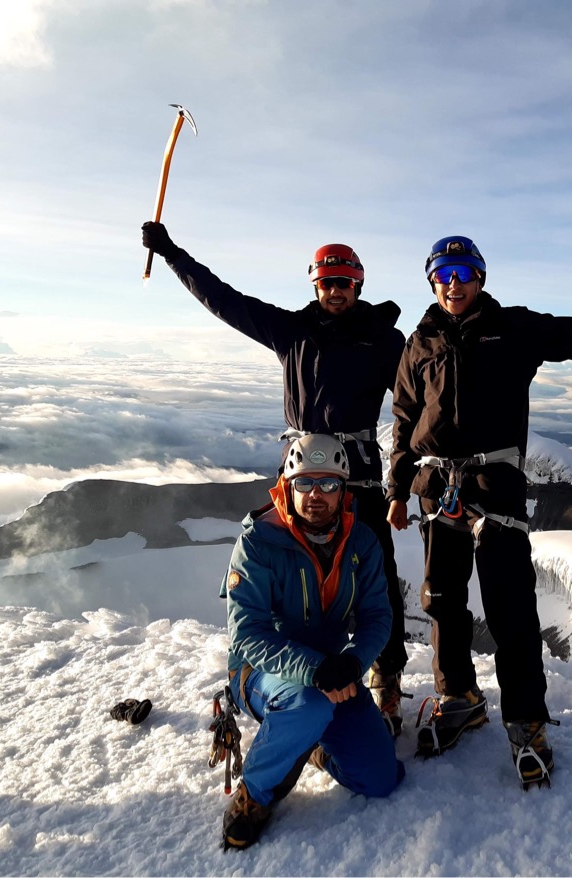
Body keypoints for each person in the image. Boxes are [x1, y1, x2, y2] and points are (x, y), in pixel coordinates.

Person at [386, 235, 572, 788]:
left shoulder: (515, 328)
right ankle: (458, 697)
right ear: (432, 282)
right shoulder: (420, 342)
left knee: (510, 610)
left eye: (464, 272)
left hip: (494, 485)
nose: (454, 283)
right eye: (444, 275)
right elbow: (405, 419)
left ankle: (527, 723)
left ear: (480, 276)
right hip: (437, 490)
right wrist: (396, 487)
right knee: (442, 602)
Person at [141, 221, 410, 735]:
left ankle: (386, 680)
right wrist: (173, 254)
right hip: (305, 478)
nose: (335, 291)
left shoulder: (383, 341)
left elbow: (417, 397)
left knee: (377, 581)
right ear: (315, 285)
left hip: (356, 481)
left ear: (358, 286)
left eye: (345, 283)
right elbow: (224, 299)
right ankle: (298, 672)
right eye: (328, 283)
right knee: (294, 575)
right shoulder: (293, 332)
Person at [219, 433, 403, 850]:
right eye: (304, 483)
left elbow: (378, 615)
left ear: (343, 489)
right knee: (311, 703)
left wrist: (355, 662)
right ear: (287, 484)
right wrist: (315, 669)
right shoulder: (258, 543)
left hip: (333, 670)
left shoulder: (362, 542)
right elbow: (247, 632)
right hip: (260, 673)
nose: (315, 495)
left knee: (380, 779)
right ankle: (255, 794)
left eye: (328, 484)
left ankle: (312, 746)